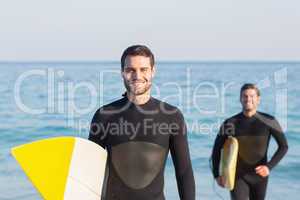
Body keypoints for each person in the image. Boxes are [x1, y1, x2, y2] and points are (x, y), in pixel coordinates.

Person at [89, 45, 195, 200]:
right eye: (130, 69)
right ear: (122, 73)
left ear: (153, 71)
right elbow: (90, 170)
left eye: (143, 69)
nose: (137, 75)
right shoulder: (105, 116)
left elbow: (184, 171)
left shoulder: (171, 116)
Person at [211, 83, 288, 200]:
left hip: (260, 176)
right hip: (237, 175)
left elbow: (283, 146)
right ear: (240, 99)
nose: (248, 99)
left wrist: (268, 167)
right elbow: (216, 150)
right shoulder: (230, 123)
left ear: (258, 99)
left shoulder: (269, 121)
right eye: (245, 96)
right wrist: (217, 175)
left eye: (252, 96)